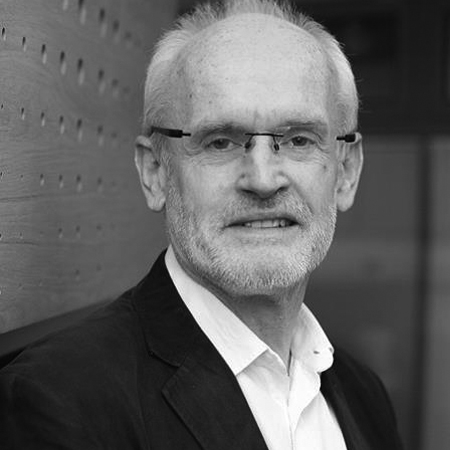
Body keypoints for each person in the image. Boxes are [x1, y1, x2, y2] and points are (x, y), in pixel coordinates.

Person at [0, 0, 403, 449]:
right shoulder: (60, 405)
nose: (263, 179)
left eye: (299, 139)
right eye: (220, 142)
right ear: (155, 172)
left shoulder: (365, 396)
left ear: (346, 171)